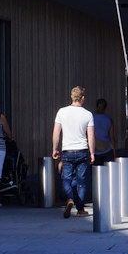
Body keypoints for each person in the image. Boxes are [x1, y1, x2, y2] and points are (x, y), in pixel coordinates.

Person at [50, 87, 97, 218]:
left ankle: (69, 199)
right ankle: (80, 209)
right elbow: (91, 136)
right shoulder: (87, 114)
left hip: (67, 151)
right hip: (82, 150)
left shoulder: (62, 112)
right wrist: (92, 152)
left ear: (71, 97)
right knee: (81, 181)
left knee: (66, 178)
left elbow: (56, 132)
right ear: (83, 98)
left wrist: (55, 149)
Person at [92, 99, 116, 168]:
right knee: (108, 174)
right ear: (105, 108)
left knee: (96, 175)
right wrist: (114, 153)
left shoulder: (91, 119)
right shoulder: (109, 120)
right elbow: (112, 138)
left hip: (95, 150)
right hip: (107, 149)